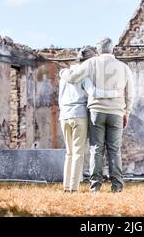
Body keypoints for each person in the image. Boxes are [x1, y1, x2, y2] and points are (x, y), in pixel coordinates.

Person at [62, 38, 134, 193]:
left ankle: (95, 187)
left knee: (96, 149)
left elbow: (73, 78)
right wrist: (126, 112)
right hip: (116, 113)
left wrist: (64, 72)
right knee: (114, 149)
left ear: (99, 50)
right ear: (113, 50)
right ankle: (117, 187)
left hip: (96, 112)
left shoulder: (91, 63)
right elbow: (130, 94)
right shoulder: (124, 67)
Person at [58, 47, 97, 193]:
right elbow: (92, 93)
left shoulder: (64, 75)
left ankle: (66, 186)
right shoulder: (84, 75)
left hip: (64, 115)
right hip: (79, 114)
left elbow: (60, 98)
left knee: (69, 153)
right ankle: (74, 188)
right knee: (78, 152)